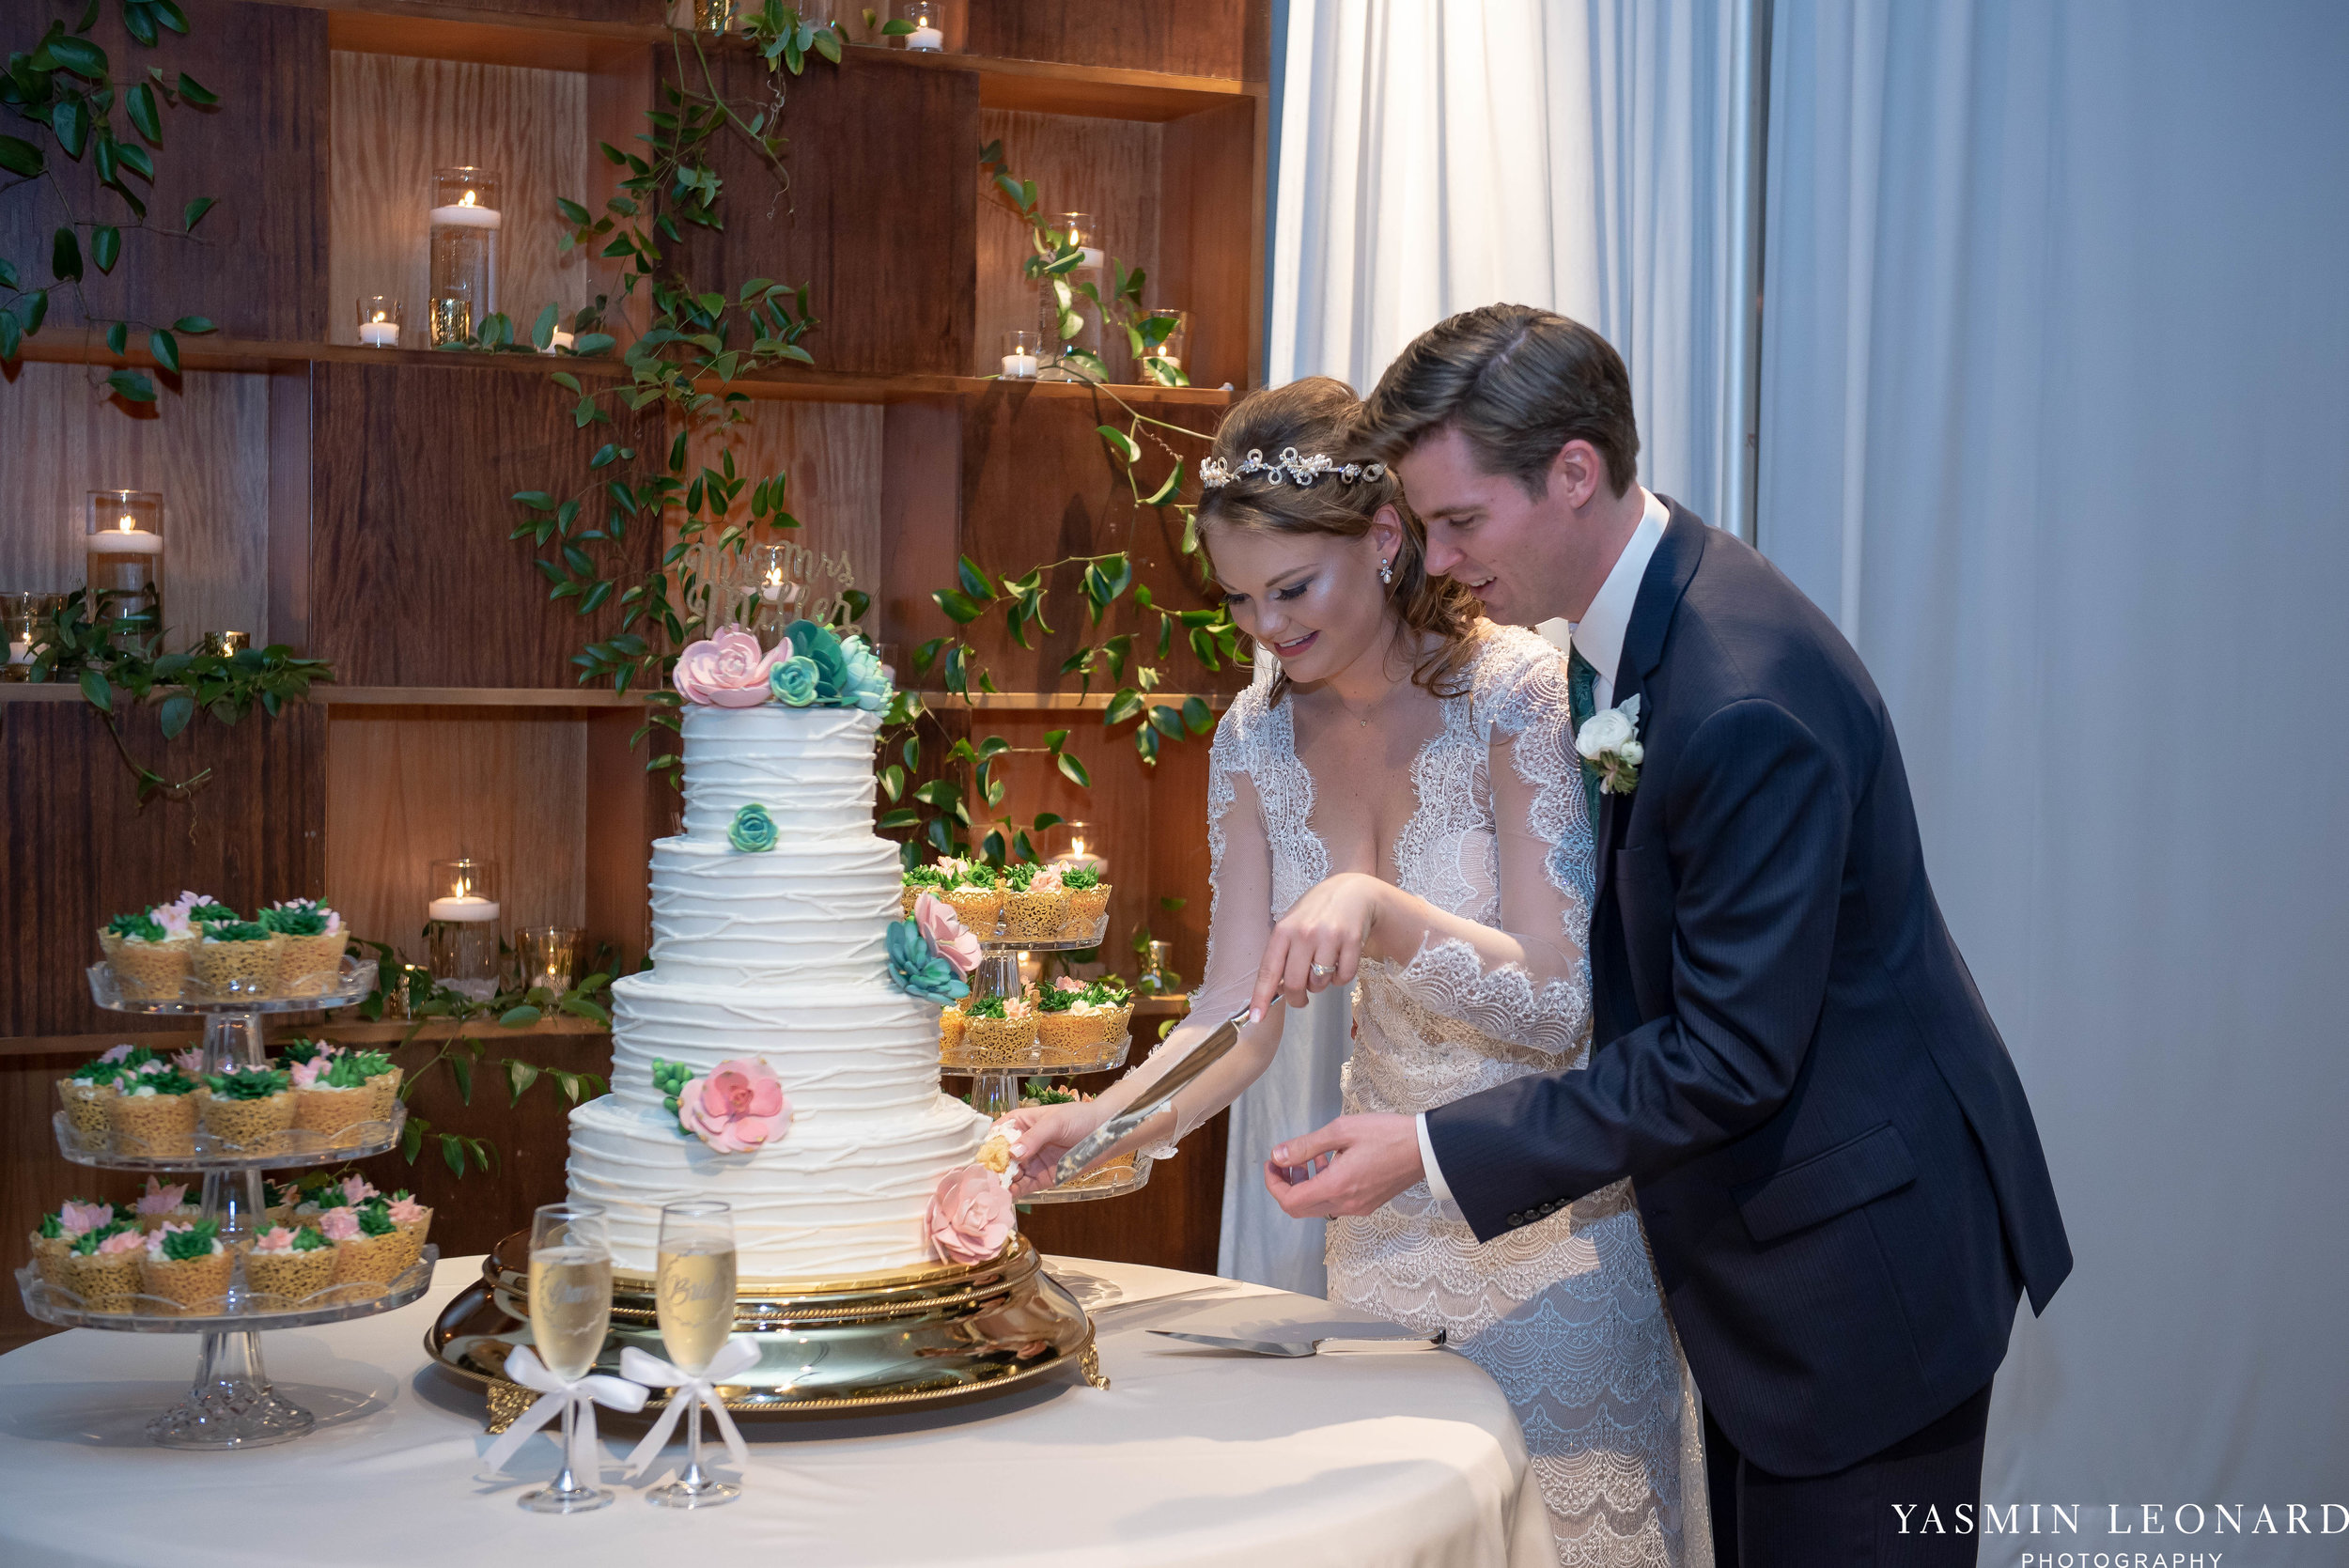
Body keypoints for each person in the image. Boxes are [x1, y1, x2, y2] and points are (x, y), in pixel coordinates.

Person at [1246, 305, 2074, 1567]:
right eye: (1426, 528)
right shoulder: (1638, 628)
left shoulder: (1740, 692)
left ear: (1574, 471)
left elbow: (1728, 1057)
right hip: (1770, 1254)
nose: (1442, 561)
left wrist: (1428, 1147)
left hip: (1860, 1277)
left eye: (1461, 522)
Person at [1003, 377, 1711, 1567]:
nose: (1267, 629)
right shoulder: (1253, 735)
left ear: (1385, 541)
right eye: (1239, 601)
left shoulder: (1520, 695)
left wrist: (1379, 911)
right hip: (1377, 1226)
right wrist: (1108, 1118)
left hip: (1556, 1226)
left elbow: (1558, 1001)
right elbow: (1240, 1013)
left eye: (1293, 588)